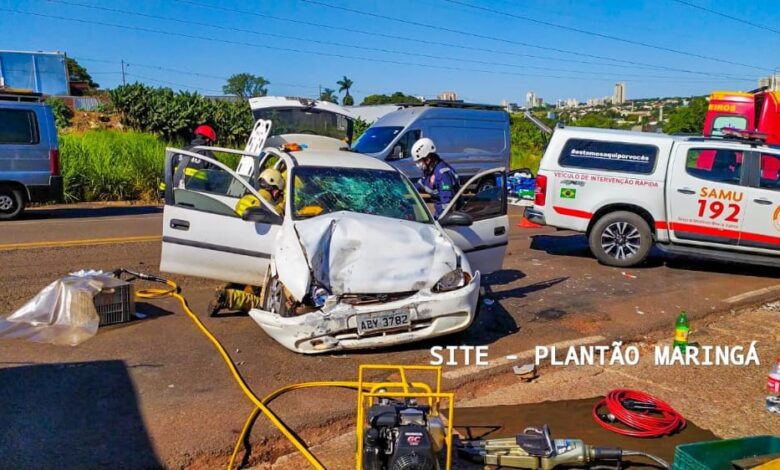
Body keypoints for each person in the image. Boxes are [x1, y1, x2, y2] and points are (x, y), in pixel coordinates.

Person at [159, 124, 218, 192]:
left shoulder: (178, 153)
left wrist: (163, 192)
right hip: (198, 198)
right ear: (208, 140)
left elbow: (167, 174)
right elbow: (216, 183)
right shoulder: (210, 158)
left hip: (176, 196)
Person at [412, 137, 460, 218]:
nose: (418, 164)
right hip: (438, 214)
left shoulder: (442, 175)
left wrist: (440, 221)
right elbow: (420, 184)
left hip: (446, 218)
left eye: (419, 161)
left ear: (428, 159)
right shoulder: (429, 171)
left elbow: (447, 205)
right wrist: (405, 188)